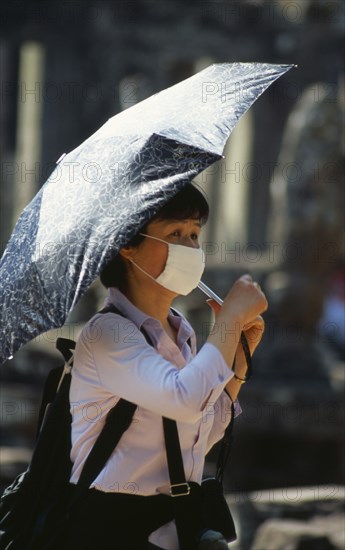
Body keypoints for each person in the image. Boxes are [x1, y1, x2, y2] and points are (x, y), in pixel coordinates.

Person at [64, 184, 267, 550]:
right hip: (109, 528)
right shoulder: (107, 333)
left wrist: (238, 360)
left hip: (168, 526)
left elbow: (195, 433)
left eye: (194, 234)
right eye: (174, 233)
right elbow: (183, 399)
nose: (190, 248)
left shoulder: (180, 332)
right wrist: (227, 323)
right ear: (127, 245)